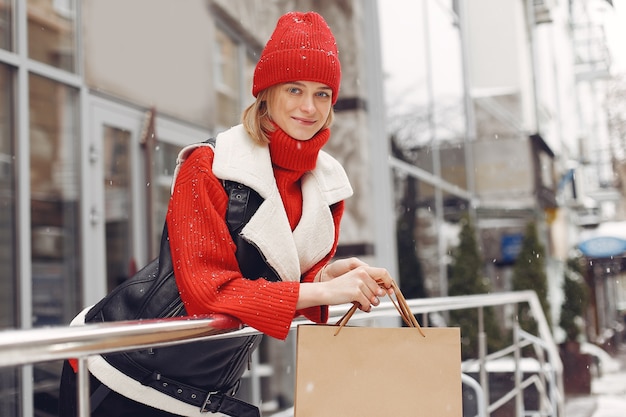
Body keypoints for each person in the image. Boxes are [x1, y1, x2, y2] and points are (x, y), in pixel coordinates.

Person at [59, 10, 393, 417]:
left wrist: (324, 276)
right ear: (267, 92)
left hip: (203, 390)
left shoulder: (326, 186)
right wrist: (323, 292)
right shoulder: (210, 164)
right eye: (294, 89)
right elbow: (207, 290)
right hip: (121, 370)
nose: (309, 107)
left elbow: (275, 274)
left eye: (323, 93)